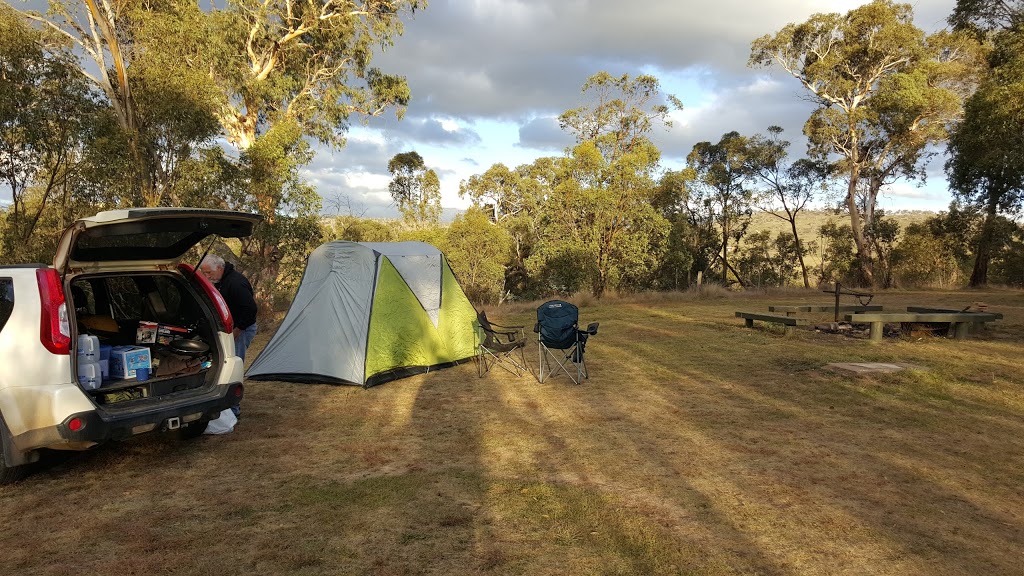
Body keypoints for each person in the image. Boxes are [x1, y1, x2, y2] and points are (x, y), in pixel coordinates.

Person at [199, 255, 257, 418]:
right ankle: (222, 405)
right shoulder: (221, 281)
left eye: (209, 272)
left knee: (233, 365)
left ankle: (233, 410)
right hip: (229, 330)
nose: (207, 276)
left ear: (219, 268)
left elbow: (250, 309)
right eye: (205, 273)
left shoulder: (236, 283)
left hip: (242, 329)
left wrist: (238, 329)